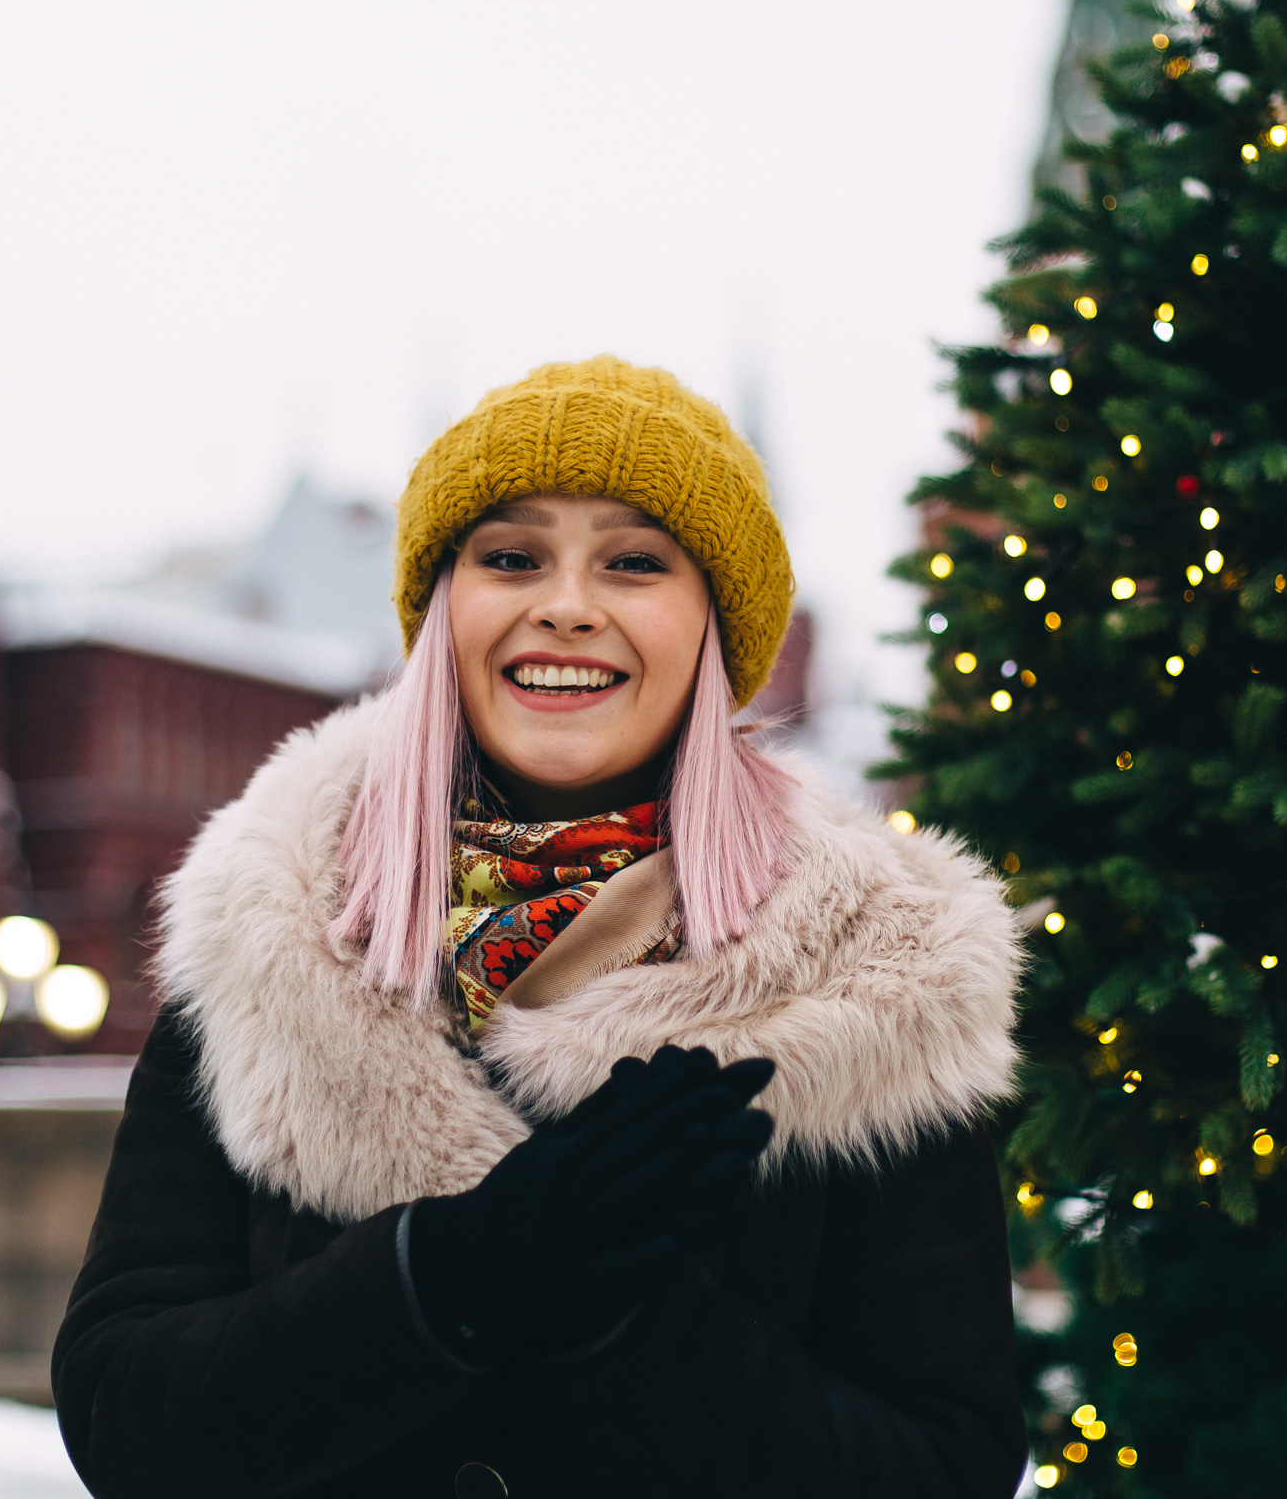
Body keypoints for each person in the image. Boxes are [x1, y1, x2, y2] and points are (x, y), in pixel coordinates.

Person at [53, 357, 1029, 1498]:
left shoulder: (878, 973)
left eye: (634, 561)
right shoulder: (271, 928)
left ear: (714, 623)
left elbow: (942, 1467)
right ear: (444, 609)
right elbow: (127, 1416)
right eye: (511, 556)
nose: (566, 603)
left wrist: (622, 1313)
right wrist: (444, 1281)